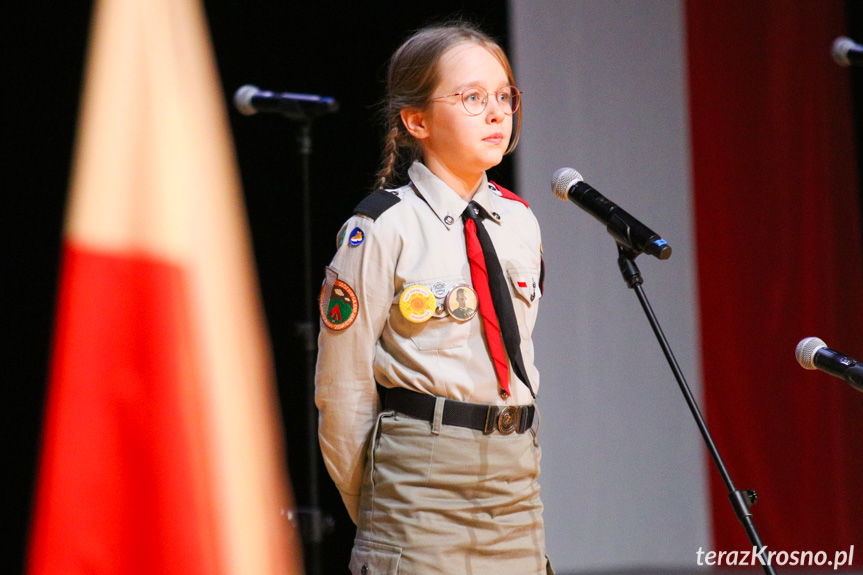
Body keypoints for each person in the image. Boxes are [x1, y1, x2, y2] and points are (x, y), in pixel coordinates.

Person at [315, 21, 550, 574]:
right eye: (471, 98)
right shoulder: (382, 227)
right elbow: (342, 390)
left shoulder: (519, 221)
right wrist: (381, 507)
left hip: (515, 476)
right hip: (418, 477)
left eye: (503, 96)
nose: (496, 113)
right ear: (417, 120)